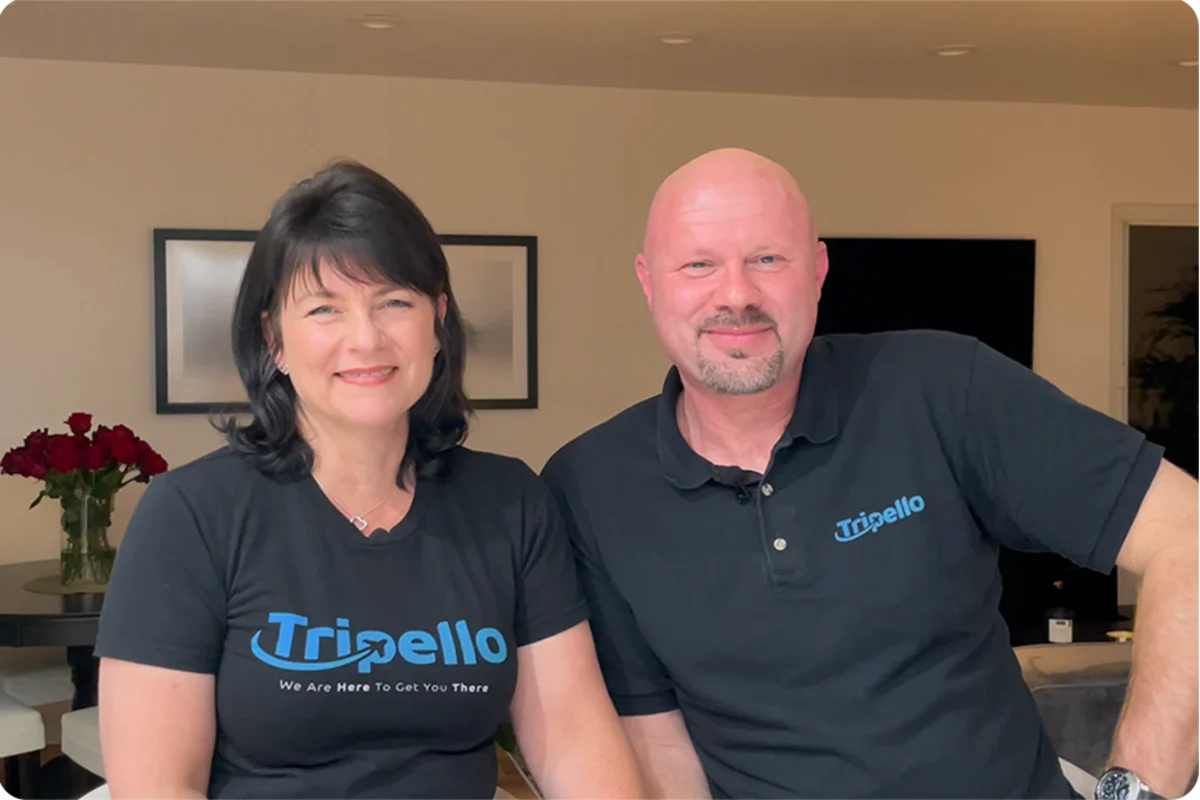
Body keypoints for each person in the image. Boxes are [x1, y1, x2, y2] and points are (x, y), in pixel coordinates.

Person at [541, 147, 1200, 800]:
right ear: (649, 281)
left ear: (818, 271)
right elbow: (659, 744)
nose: (736, 294)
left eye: (768, 259)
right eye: (698, 264)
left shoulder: (944, 387)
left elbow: (1187, 534)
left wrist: (1134, 794)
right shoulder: (591, 486)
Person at [95, 160, 643, 799]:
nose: (365, 339)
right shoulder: (191, 515)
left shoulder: (511, 502)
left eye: (394, 302)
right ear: (274, 339)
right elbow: (158, 787)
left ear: (437, 322)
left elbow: (572, 735)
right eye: (324, 309)